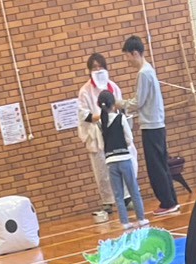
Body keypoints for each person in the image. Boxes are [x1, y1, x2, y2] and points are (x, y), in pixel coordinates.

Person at [121, 34, 180, 217]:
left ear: (135, 53)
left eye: (127, 56)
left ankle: (167, 202)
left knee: (155, 167)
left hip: (151, 126)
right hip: (156, 125)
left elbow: (138, 101)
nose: (127, 60)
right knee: (161, 164)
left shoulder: (143, 73)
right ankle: (171, 200)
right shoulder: (149, 70)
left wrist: (121, 104)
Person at [77, 52, 134, 225]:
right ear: (89, 70)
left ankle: (127, 197)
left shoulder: (113, 87)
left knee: (123, 164)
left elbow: (121, 107)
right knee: (102, 168)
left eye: (100, 66)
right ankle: (107, 201)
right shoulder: (85, 91)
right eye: (94, 67)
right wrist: (102, 117)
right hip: (97, 132)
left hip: (115, 131)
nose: (98, 70)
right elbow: (84, 115)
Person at [94, 90, 148, 230]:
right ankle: (141, 219)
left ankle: (124, 222)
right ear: (113, 105)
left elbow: (101, 146)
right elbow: (129, 139)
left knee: (118, 195)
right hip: (124, 158)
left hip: (110, 162)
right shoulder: (121, 118)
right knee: (133, 190)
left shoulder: (99, 124)